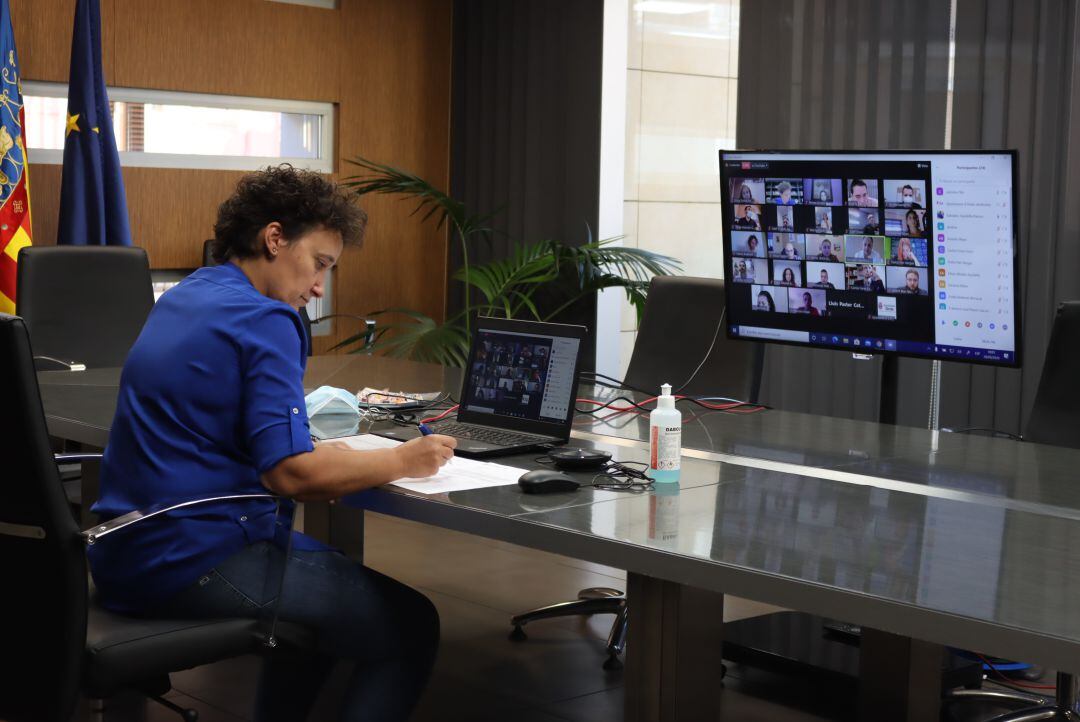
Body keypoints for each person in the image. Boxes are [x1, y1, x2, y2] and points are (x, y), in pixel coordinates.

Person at [88, 166, 451, 722]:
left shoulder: (188, 293)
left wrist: (331, 457)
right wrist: (404, 458)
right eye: (319, 264)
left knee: (319, 617)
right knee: (413, 623)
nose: (318, 288)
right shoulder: (269, 319)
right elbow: (290, 476)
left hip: (122, 547)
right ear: (275, 238)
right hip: (190, 558)